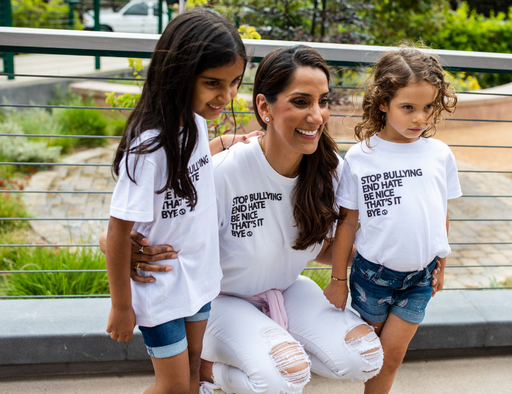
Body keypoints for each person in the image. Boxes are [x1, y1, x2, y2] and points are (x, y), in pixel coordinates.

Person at [103, 45, 385, 394]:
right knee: (283, 376)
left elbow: (323, 250)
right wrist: (118, 247)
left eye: (323, 101)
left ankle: (268, 346)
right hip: (220, 301)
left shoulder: (331, 172)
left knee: (367, 356)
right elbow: (145, 215)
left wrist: (389, 253)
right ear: (264, 106)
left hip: (287, 289)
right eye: (300, 102)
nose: (316, 115)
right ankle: (211, 370)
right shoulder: (221, 172)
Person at [104, 9, 259, 394]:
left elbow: (190, 160)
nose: (227, 96)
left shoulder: (194, 122)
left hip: (199, 279)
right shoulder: (148, 146)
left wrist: (223, 144)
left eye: (235, 82)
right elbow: (117, 229)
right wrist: (122, 306)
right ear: (178, 74)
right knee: (171, 385)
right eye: (213, 83)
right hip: (161, 287)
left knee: (193, 370)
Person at [323, 47, 461, 394]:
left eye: (429, 107)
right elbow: (348, 224)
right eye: (408, 108)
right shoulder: (359, 157)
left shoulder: (439, 154)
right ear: (383, 103)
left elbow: (439, 211)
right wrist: (338, 279)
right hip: (373, 278)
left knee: (393, 356)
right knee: (371, 357)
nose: (420, 118)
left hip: (420, 278)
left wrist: (441, 263)